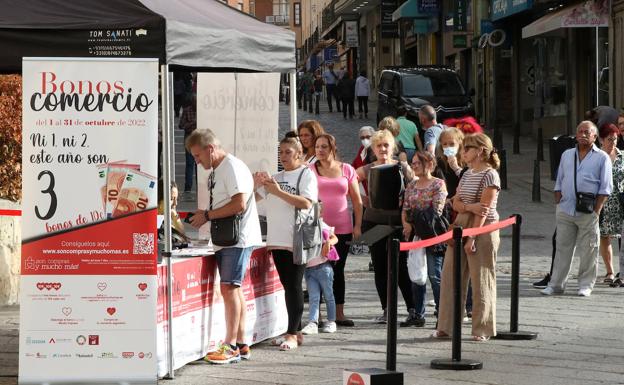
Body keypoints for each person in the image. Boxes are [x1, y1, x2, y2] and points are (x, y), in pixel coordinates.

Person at [186, 128, 262, 363]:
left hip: (237, 239)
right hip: (230, 238)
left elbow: (239, 204)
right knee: (233, 288)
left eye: (198, 156)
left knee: (229, 289)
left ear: (210, 149)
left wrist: (207, 215)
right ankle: (240, 343)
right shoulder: (221, 168)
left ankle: (230, 345)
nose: (197, 161)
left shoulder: (231, 167)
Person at [433, 133, 501, 341]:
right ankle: (446, 325)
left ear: (480, 151)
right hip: (461, 222)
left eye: (467, 148)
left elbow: (484, 209)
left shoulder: (490, 175)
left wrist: (472, 237)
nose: (463, 152)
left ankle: (482, 328)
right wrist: (468, 207)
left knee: (481, 278)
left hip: (483, 228)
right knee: (449, 276)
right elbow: (457, 202)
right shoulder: (468, 173)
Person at [253, 136, 318, 350]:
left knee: (293, 286)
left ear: (299, 153)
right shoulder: (276, 177)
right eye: (280, 152)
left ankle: (292, 333)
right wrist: (255, 185)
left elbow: (307, 203)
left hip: (296, 238)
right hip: (276, 238)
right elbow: (254, 200)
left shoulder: (306, 174)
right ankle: (295, 331)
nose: (283, 156)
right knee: (286, 285)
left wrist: (278, 192)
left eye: (288, 152)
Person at [541, 121, 612, 297]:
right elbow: (560, 178)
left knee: (588, 249)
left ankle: (585, 285)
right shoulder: (567, 154)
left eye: (587, 132)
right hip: (565, 209)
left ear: (595, 136)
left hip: (588, 211)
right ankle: (556, 284)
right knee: (562, 248)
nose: (582, 134)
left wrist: (597, 210)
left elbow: (606, 188)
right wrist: (558, 198)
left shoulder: (602, 158)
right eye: (580, 131)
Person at [356, 130, 415, 324]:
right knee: (380, 266)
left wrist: (406, 202)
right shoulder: (368, 168)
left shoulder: (402, 166)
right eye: (378, 145)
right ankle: (386, 309)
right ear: (373, 148)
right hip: (373, 221)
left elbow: (415, 185)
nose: (382, 149)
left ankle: (412, 308)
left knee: (401, 267)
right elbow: (349, 180)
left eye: (386, 145)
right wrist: (362, 199)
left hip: (398, 221)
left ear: (392, 147)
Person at [312, 134, 363, 326]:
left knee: (337, 270)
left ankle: (339, 313)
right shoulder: (310, 170)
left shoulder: (347, 169)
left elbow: (357, 201)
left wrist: (357, 225)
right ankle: (318, 315)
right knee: (318, 270)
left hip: (342, 228)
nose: (320, 150)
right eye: (317, 147)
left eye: (324, 146)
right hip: (318, 229)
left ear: (333, 148)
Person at [401, 151, 447, 326]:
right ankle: (418, 314)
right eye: (412, 163)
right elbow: (405, 208)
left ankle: (442, 314)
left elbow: (436, 211)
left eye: (417, 163)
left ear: (428, 164)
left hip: (433, 234)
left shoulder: (438, 184)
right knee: (416, 274)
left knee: (435, 275)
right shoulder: (411, 185)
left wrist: (413, 219)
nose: (413, 166)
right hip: (415, 235)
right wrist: (406, 223)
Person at [301, 209, 338, 335]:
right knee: (314, 297)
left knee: (328, 295)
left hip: (323, 266)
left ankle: (331, 321)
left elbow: (334, 238)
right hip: (309, 268)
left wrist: (328, 242)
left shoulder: (320, 224)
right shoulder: (300, 225)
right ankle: (313, 322)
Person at [597, 124, 624, 284]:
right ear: (601, 140)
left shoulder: (622, 156)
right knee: (605, 237)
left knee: (622, 239)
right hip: (604, 203)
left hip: (620, 203)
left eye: (615, 139)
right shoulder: (597, 157)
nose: (613, 143)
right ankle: (610, 272)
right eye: (609, 139)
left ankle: (622, 273)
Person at [178, 95, 197, 192]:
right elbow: (181, 125)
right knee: (190, 163)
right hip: (189, 138)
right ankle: (188, 187)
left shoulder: (201, 111)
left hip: (200, 139)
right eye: (194, 101)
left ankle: (201, 187)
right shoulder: (186, 110)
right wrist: (192, 123)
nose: (195, 103)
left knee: (200, 165)